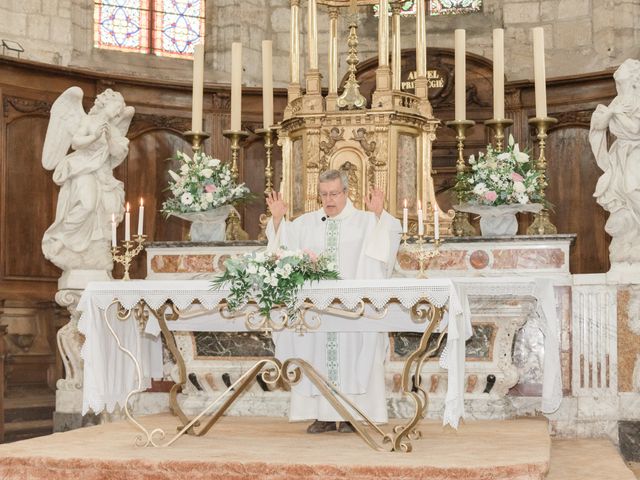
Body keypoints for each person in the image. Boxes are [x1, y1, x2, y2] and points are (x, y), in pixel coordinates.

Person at [266, 169, 402, 433]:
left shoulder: (364, 220)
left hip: (354, 309)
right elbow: (284, 249)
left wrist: (378, 215)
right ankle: (323, 415)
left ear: (346, 193)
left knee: (355, 358)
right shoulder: (306, 223)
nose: (329, 199)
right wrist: (278, 220)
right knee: (316, 357)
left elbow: (388, 237)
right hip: (318, 310)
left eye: (334, 194)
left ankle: (355, 415)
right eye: (324, 194)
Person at [41, 87, 134, 271]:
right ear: (105, 104)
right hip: (83, 169)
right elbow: (76, 143)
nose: (119, 112)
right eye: (117, 107)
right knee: (87, 205)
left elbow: (118, 153)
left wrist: (108, 139)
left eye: (120, 109)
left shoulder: (114, 130)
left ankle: (96, 251)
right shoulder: (87, 121)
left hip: (104, 176)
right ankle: (62, 238)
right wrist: (94, 136)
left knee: (107, 212)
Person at [590, 58, 640, 266]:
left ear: (634, 81)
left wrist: (615, 114)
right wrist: (606, 114)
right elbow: (601, 124)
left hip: (635, 150)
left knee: (631, 190)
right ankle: (630, 239)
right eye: (617, 84)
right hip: (619, 154)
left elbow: (636, 129)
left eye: (622, 83)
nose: (619, 88)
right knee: (618, 193)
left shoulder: (637, 100)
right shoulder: (618, 101)